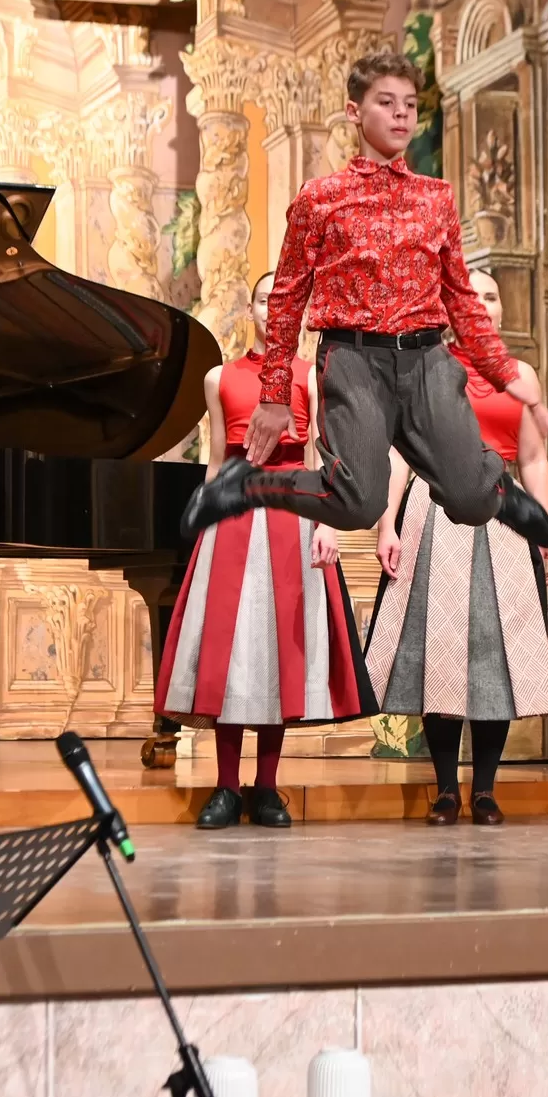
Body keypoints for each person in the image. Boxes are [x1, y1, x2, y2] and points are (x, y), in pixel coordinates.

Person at [177, 49, 548, 551]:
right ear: (354, 111)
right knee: (358, 504)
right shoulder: (320, 197)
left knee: (471, 499)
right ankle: (250, 485)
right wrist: (274, 393)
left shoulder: (436, 198)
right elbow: (288, 295)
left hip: (427, 358)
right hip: (353, 360)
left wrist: (507, 376)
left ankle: (495, 489)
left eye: (410, 104)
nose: (401, 114)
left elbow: (462, 299)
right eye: (386, 102)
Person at [157, 272, 378, 829]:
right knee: (230, 652)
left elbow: (319, 458)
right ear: (251, 309)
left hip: (291, 513)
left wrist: (329, 523)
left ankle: (267, 787)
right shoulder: (219, 378)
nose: (274, 311)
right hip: (232, 517)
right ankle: (226, 787)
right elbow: (215, 459)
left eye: (285, 304)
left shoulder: (311, 377)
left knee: (279, 650)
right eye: (264, 300)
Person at [369, 268, 548, 826]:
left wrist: (546, 531)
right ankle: (444, 789)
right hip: (437, 506)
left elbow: (533, 458)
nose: (482, 304)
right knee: (440, 652)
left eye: (492, 296)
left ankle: (484, 790)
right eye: (472, 296)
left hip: (504, 512)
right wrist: (386, 524)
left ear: (502, 311)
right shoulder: (423, 367)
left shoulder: (522, 376)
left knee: (493, 654)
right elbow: (397, 455)